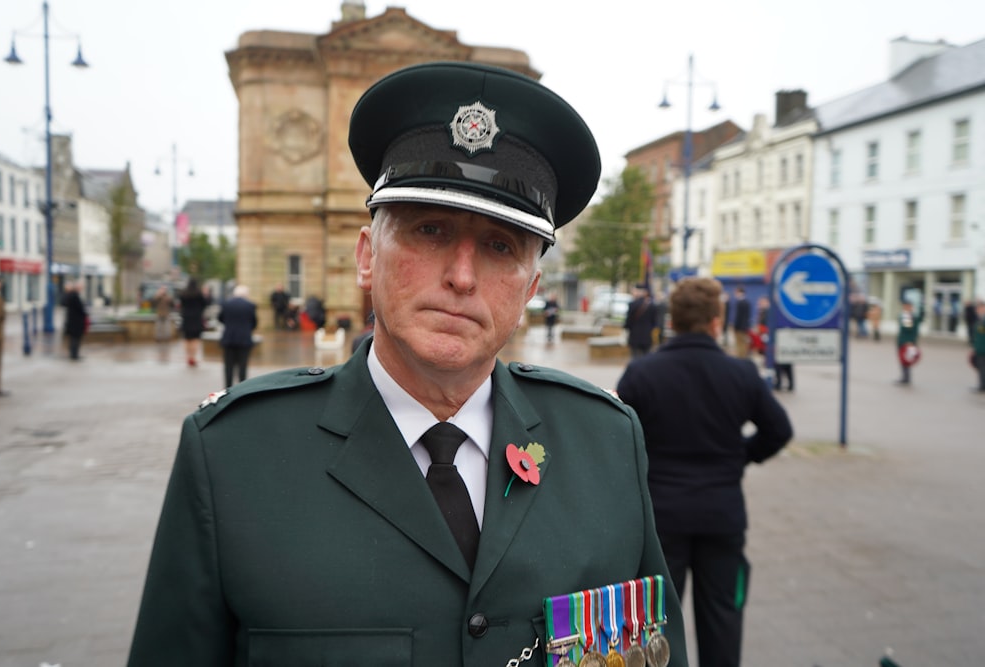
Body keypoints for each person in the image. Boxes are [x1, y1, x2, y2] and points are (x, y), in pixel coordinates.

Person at [127, 61, 688, 667]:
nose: (462, 276)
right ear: (368, 257)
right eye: (430, 230)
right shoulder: (233, 457)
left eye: (501, 246)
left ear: (530, 289)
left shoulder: (605, 443)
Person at [617, 277, 792, 667]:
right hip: (722, 514)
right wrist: (740, 457)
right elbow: (780, 430)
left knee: (653, 626)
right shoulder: (742, 374)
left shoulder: (642, 374)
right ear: (716, 322)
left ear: (673, 321)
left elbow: (617, 439)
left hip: (661, 518)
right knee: (723, 619)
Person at [217, 285, 258, 388]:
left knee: (228, 366)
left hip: (229, 339)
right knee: (242, 367)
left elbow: (220, 318)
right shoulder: (250, 305)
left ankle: (227, 388)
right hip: (244, 339)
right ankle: (241, 388)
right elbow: (254, 322)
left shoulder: (226, 304)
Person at [178, 278, 209, 367]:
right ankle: (193, 357)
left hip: (186, 318)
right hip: (196, 318)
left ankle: (188, 357)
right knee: (195, 339)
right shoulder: (199, 294)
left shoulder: (184, 293)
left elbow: (181, 305)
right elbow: (205, 304)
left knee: (187, 338)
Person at [895, 299, 924, 386]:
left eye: (906, 306)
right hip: (904, 341)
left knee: (905, 360)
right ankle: (905, 377)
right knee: (904, 359)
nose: (904, 307)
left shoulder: (908, 316)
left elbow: (908, 330)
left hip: (906, 342)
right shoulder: (909, 316)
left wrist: (909, 341)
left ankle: (906, 378)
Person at [624, 283, 657, 358]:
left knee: (635, 357)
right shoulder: (652, 305)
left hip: (634, 335)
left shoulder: (632, 304)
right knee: (646, 358)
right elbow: (654, 322)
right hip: (647, 336)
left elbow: (628, 322)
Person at [61, 280, 88, 361]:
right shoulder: (73, 296)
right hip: (75, 322)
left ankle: (74, 354)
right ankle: (74, 355)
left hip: (73, 321)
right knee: (75, 338)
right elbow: (79, 308)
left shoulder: (72, 295)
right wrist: (85, 313)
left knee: (74, 338)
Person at [732, 286, 751, 358]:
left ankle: (741, 357)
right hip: (745, 327)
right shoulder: (747, 302)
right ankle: (743, 356)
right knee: (743, 343)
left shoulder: (740, 303)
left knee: (740, 343)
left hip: (739, 327)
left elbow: (738, 317)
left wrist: (735, 326)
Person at [971, 300, 985, 393]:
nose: (977, 310)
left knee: (982, 368)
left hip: (983, 349)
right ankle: (981, 385)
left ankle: (982, 386)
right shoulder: (980, 319)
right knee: (980, 367)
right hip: (979, 348)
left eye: (979, 308)